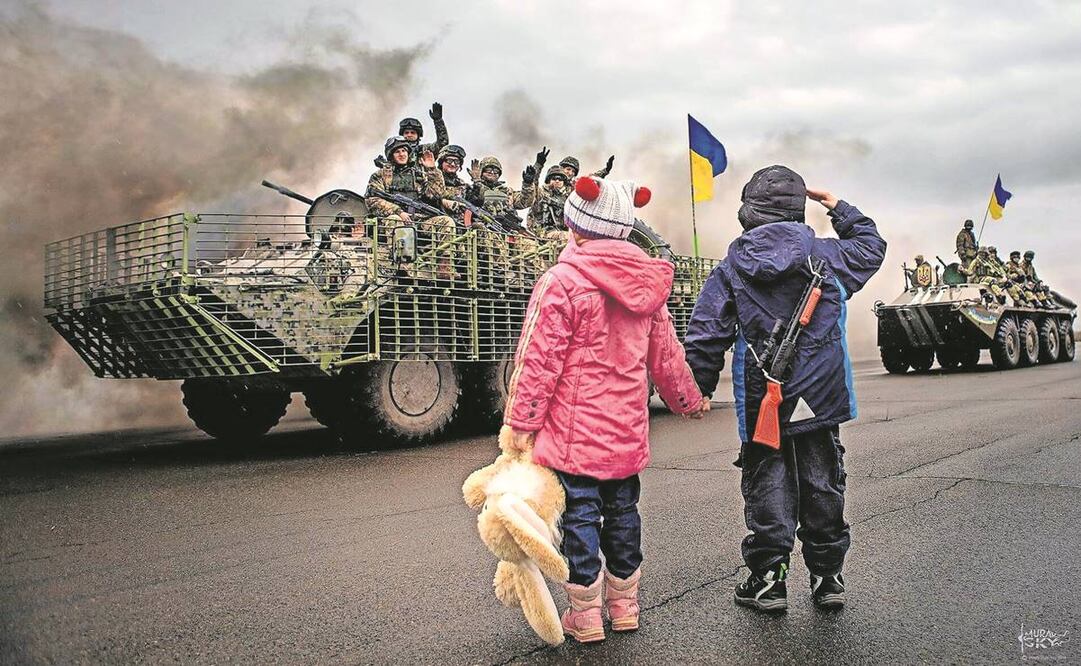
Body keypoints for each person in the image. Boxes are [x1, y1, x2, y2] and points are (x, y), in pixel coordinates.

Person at [503, 176, 709, 643]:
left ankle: (586, 614)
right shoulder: (647, 285)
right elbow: (666, 357)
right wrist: (688, 400)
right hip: (626, 431)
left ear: (575, 227)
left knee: (579, 516)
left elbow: (538, 359)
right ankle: (625, 605)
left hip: (573, 436)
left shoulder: (562, 282)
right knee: (623, 513)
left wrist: (522, 422)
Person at [684, 165, 885, 613]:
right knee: (822, 482)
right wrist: (838, 207)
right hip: (821, 399)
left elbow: (705, 333)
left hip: (763, 399)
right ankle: (827, 577)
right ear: (797, 209)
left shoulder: (731, 266)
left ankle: (768, 581)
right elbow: (872, 247)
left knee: (767, 483)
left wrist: (698, 389)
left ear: (749, 210)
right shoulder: (828, 255)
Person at [365, 136, 458, 281]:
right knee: (395, 220)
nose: (402, 154)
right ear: (391, 155)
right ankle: (403, 265)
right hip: (394, 220)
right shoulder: (381, 175)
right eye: (397, 152)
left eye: (404, 151)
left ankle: (444, 266)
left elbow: (436, 194)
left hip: (419, 220)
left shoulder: (418, 175)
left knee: (446, 222)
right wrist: (398, 211)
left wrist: (432, 170)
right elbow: (372, 200)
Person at [527, 165, 570, 240]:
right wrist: (538, 166)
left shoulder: (567, 198)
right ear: (549, 180)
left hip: (559, 232)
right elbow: (534, 184)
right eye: (554, 178)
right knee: (568, 236)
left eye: (560, 179)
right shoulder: (541, 193)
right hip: (541, 232)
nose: (557, 181)